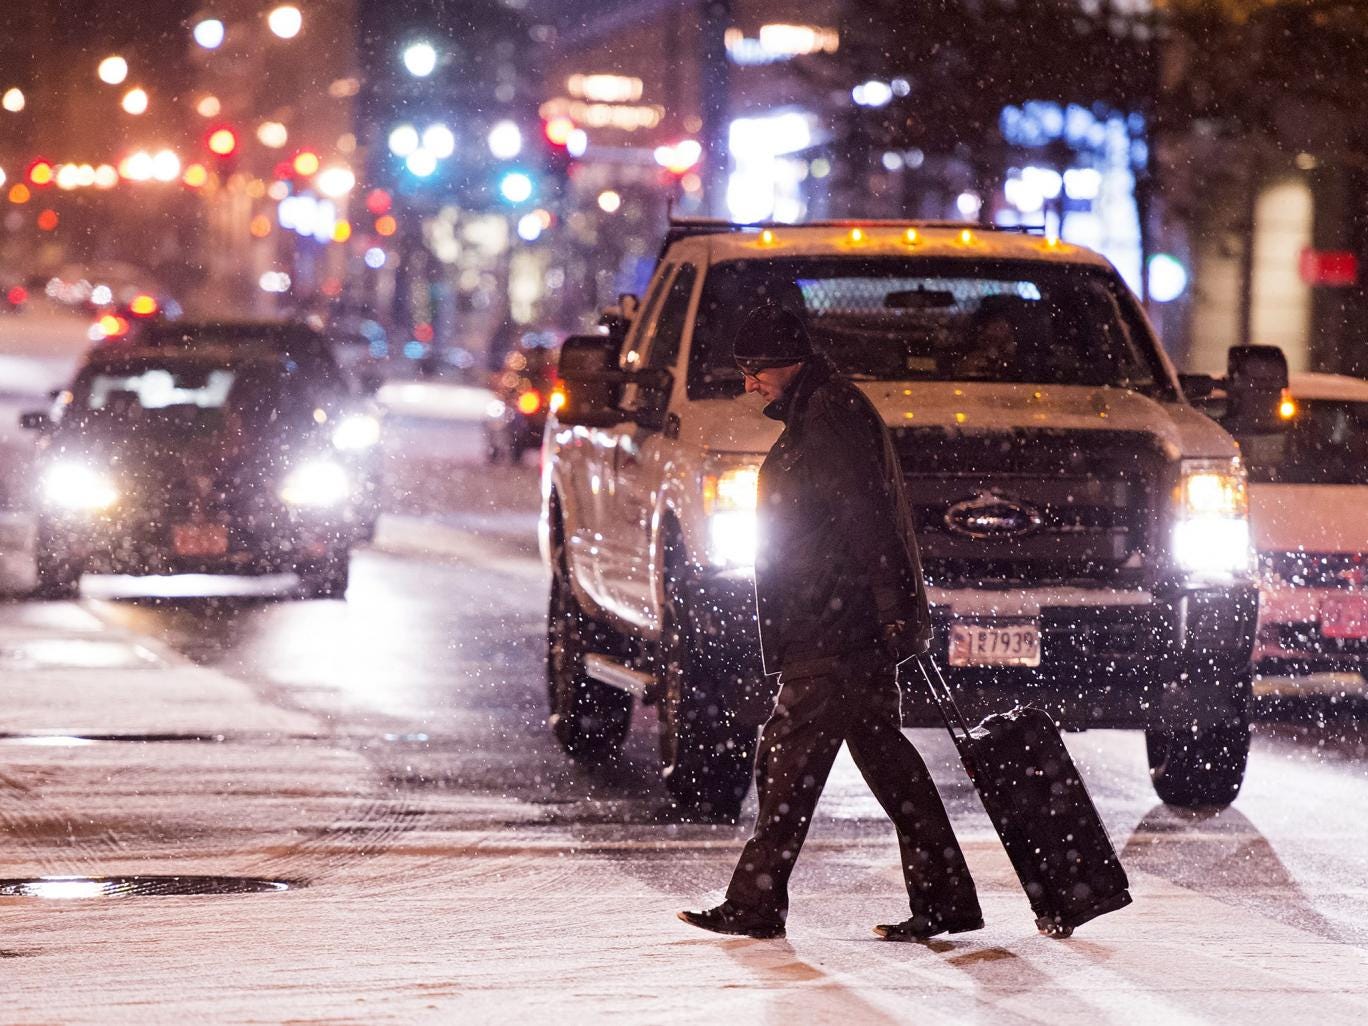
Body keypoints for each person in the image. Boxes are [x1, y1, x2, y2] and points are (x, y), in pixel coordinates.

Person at [678, 303, 982, 941]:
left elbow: (867, 516)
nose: (748, 384)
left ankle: (757, 901)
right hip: (841, 618)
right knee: (884, 759)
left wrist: (891, 608)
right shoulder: (822, 410)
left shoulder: (828, 414)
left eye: (754, 371)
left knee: (789, 757)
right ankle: (945, 895)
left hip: (836, 624)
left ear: (785, 363)